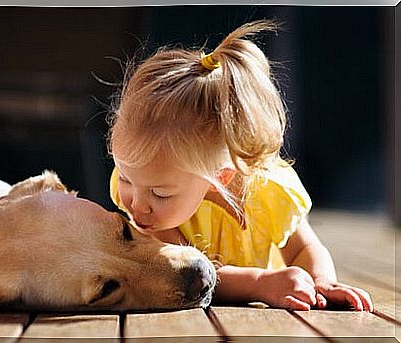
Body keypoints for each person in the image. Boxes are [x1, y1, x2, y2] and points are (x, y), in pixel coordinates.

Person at [106, 20, 373, 311]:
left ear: (219, 176)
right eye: (126, 179)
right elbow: (192, 276)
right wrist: (260, 283)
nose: (136, 205)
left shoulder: (269, 191)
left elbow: (304, 249)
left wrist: (321, 282)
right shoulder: (156, 217)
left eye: (160, 194)